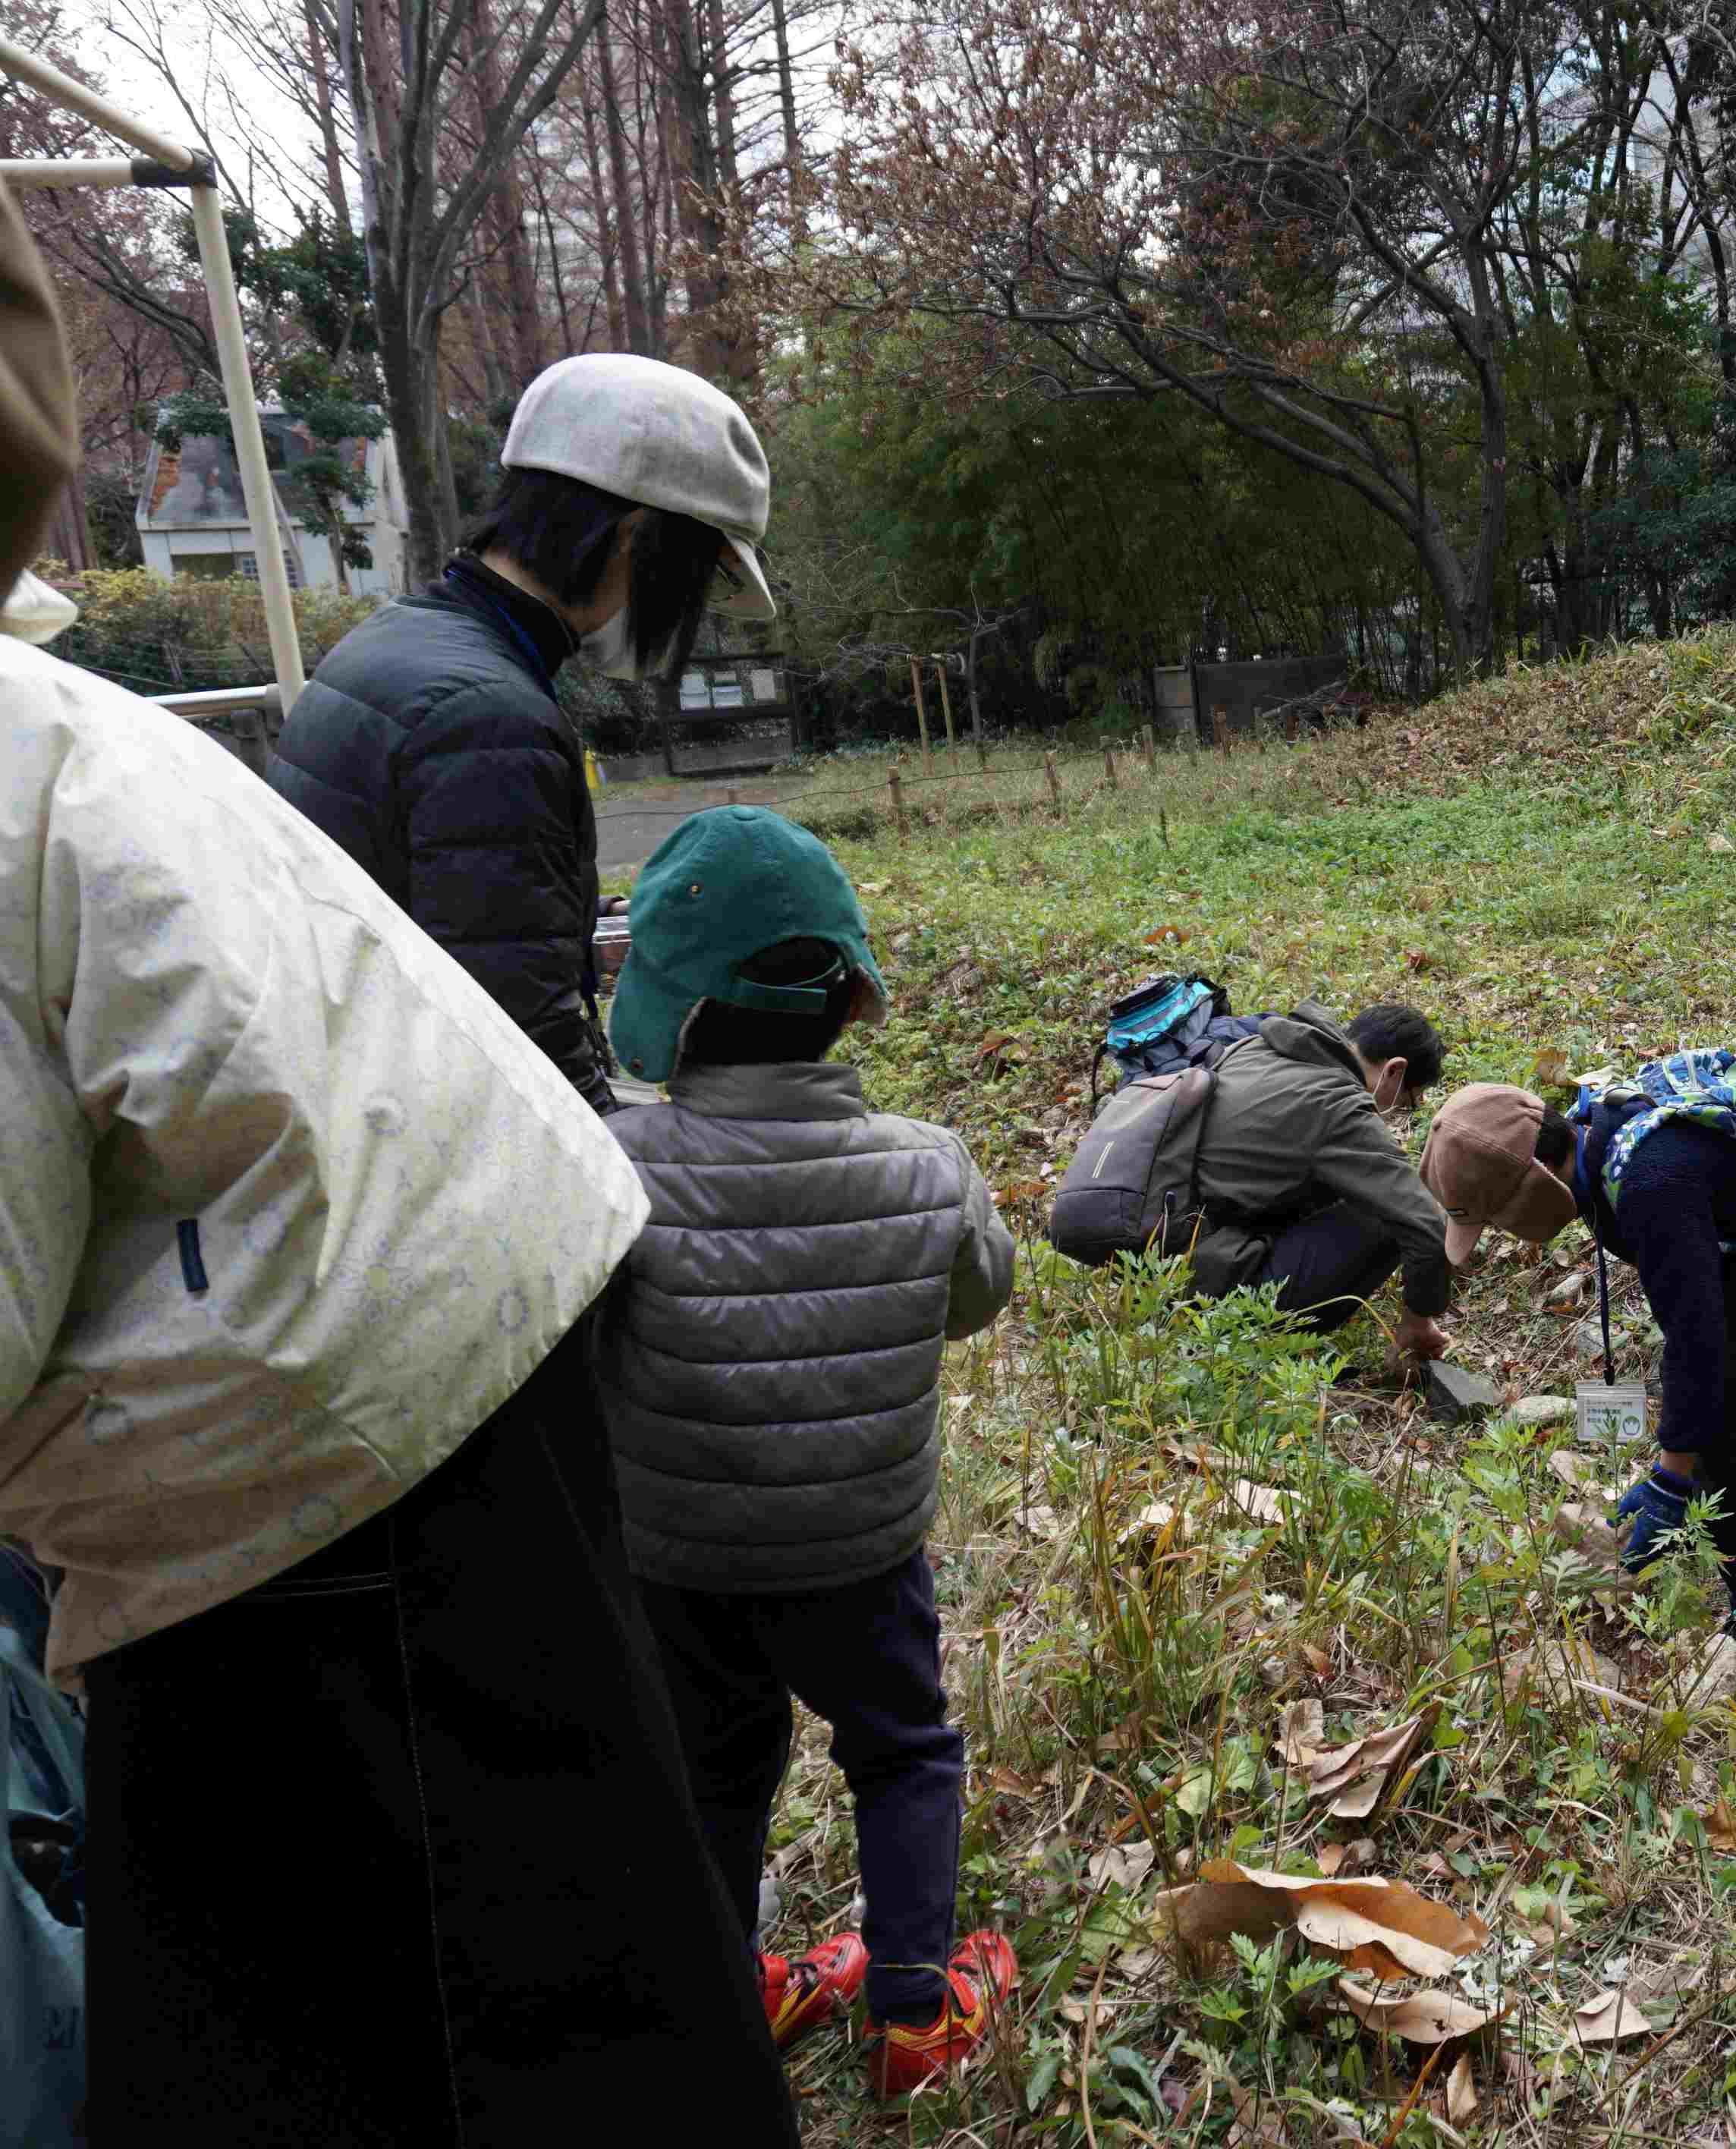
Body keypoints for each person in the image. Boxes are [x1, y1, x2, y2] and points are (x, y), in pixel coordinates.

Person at [0, 192, 796, 2143]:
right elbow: (517, 1028)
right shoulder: (500, 722)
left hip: (283, 1290)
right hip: (375, 1352)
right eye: (683, 567)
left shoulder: (378, 655)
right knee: (507, 1963)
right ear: (620, 541)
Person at [596, 805, 1021, 2099]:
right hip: (860, 1551)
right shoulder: (928, 1166)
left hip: (678, 1557)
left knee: (716, 1764)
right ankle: (912, 2010)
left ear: (665, 1011)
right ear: (852, 1001)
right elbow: (979, 1294)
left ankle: (730, 1995)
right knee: (899, 1745)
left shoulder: (611, 1165)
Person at [270, 351, 777, 1106]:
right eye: (695, 577)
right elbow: (519, 1065)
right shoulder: (488, 723)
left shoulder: (401, 640)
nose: (689, 609)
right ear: (634, 539)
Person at [1423, 1072, 1736, 1673]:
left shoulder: (1648, 1181)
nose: (1504, 1234)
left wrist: (1672, 1476)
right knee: (1703, 1429)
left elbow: (1695, 1336)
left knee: (1731, 1456)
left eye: (1500, 1219)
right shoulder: (1595, 1144)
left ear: (1536, 1185)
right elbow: (1687, 1314)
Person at [1053, 1002, 1458, 1351]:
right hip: (1211, 1289)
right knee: (1383, 1217)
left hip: (1156, 1264)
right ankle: (1251, 1333)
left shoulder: (1258, 1047)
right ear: (1394, 1071)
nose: (1398, 1115)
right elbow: (1424, 1226)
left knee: (1353, 1190)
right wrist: (1417, 1322)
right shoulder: (1338, 1105)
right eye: (1407, 1103)